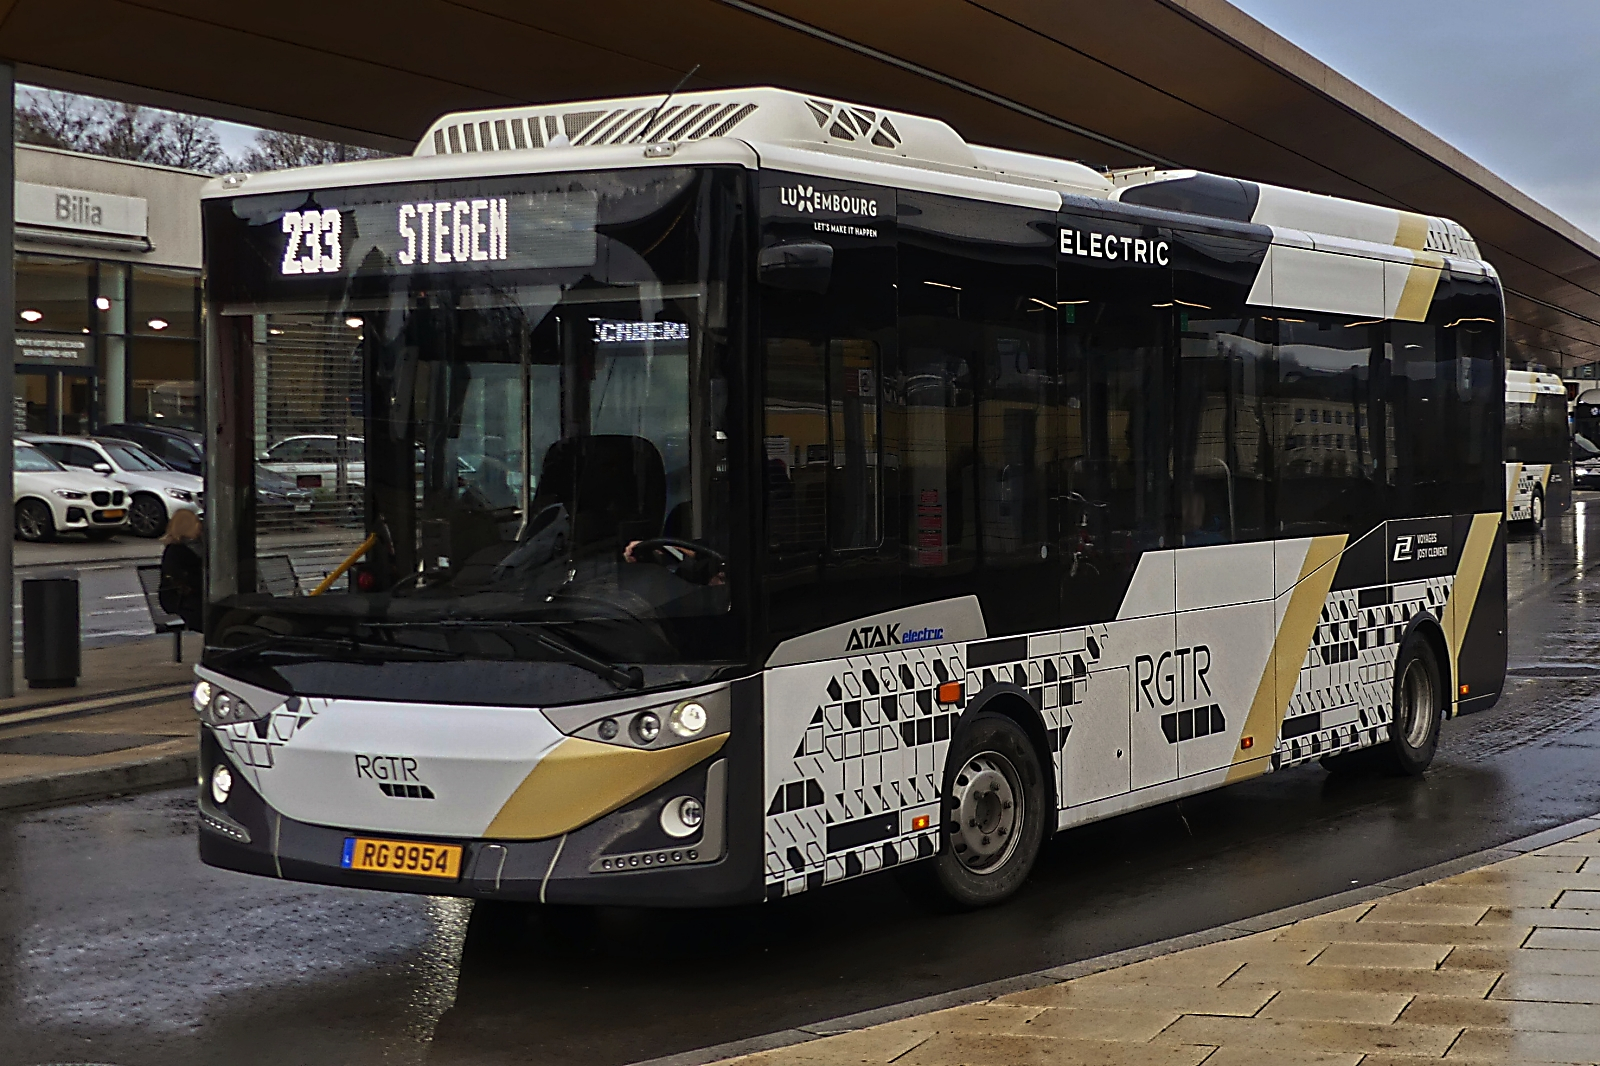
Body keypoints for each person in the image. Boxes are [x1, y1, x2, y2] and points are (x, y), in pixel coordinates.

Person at [159, 509, 205, 631]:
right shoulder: (175, 550)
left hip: (196, 597)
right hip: (184, 600)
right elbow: (178, 579)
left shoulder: (200, 545)